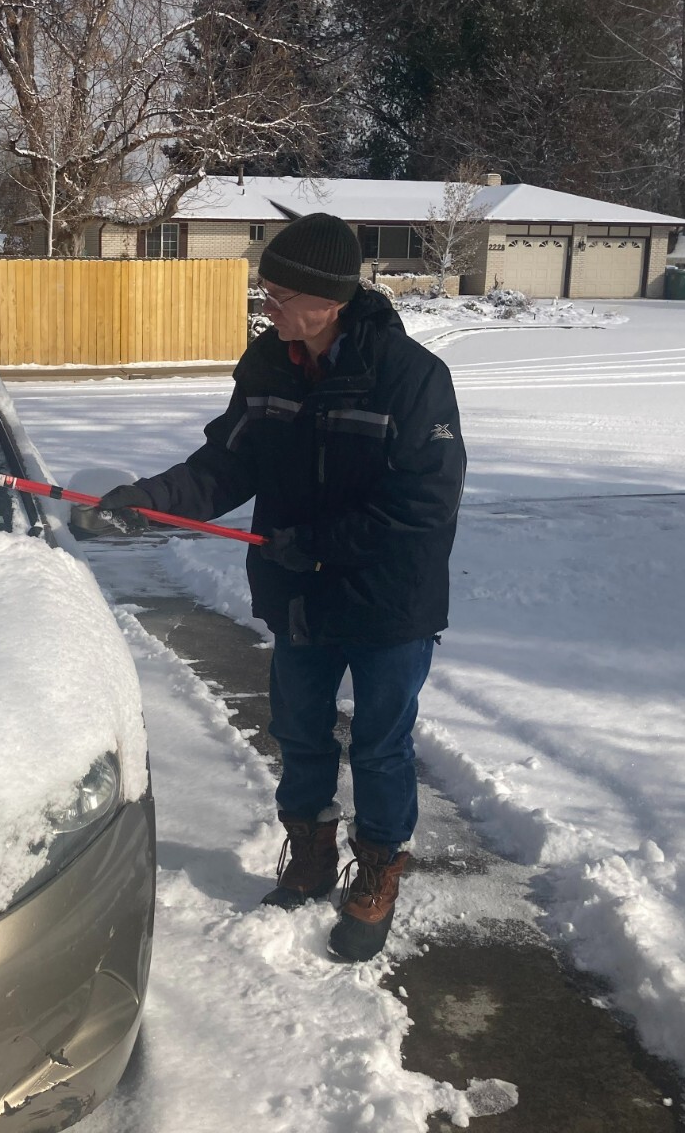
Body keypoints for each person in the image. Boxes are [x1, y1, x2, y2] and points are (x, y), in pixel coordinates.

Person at [99, 213, 465, 962]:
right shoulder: (269, 364)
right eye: (265, 288)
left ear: (328, 301)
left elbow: (423, 507)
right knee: (298, 730)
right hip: (300, 590)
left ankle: (380, 867)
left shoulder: (412, 377)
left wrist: (319, 544)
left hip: (389, 597)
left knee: (380, 742)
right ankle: (311, 850)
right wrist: (148, 499)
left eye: (278, 293)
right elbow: (226, 464)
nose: (265, 305)